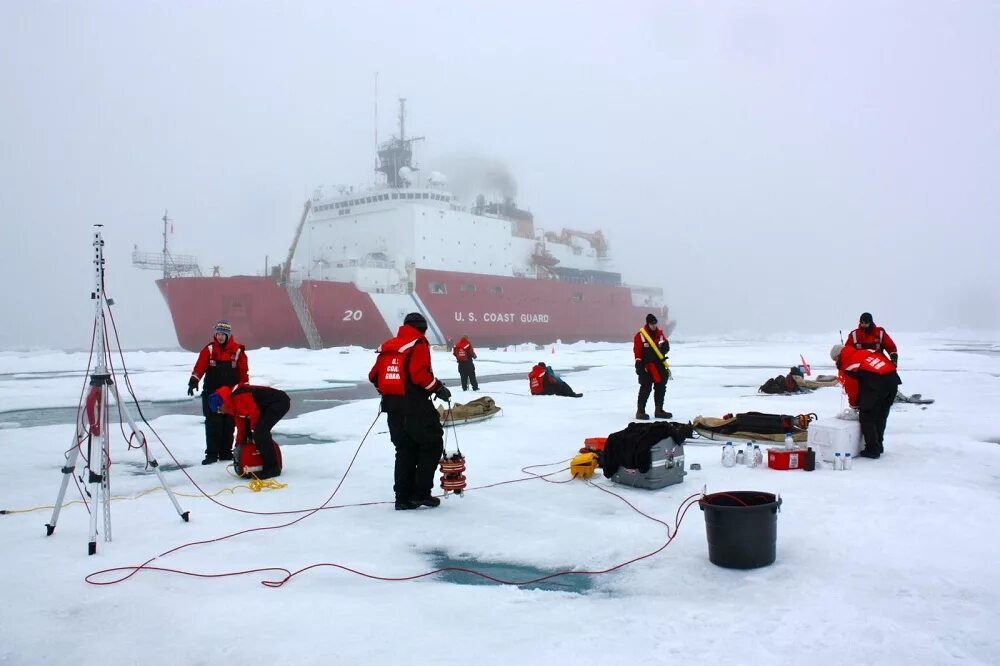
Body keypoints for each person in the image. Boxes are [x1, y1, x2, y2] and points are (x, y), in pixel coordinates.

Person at [369, 312, 451, 511]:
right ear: (423, 328)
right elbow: (419, 374)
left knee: (405, 451)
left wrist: (389, 393)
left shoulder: (389, 346)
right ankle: (420, 494)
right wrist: (438, 388)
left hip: (393, 409)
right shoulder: (418, 344)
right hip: (416, 407)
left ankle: (402, 498)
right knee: (431, 445)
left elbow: (374, 376)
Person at [188, 320, 249, 464]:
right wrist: (194, 380)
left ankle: (225, 454)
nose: (220, 337)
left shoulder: (238, 351)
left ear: (228, 335)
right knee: (213, 423)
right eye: (218, 334)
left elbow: (243, 373)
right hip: (212, 394)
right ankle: (211, 455)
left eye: (223, 334)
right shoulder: (209, 350)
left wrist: (245, 389)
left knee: (228, 424)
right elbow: (200, 367)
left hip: (230, 395)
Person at [831, 344, 901, 459]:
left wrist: (854, 405)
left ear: (838, 356)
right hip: (892, 381)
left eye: (835, 360)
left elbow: (852, 388)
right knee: (881, 415)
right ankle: (879, 445)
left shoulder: (849, 364)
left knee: (867, 416)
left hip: (878, 383)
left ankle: (872, 449)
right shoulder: (864, 351)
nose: (835, 363)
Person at [209, 383, 289, 479]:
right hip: (268, 406)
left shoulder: (239, 396)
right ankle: (264, 462)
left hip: (279, 402)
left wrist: (254, 431)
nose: (221, 413)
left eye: (219, 410)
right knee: (256, 433)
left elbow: (254, 412)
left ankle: (272, 469)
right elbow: (241, 428)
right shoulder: (233, 406)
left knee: (260, 433)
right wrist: (238, 446)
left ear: (222, 403)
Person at [634, 313, 671, 420]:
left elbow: (666, 347)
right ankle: (640, 411)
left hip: (659, 365)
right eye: (652, 324)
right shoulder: (640, 336)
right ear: (648, 323)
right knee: (645, 387)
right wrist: (638, 365)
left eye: (655, 323)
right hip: (646, 366)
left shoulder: (660, 334)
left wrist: (665, 346)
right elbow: (637, 351)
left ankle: (659, 410)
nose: (654, 326)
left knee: (661, 387)